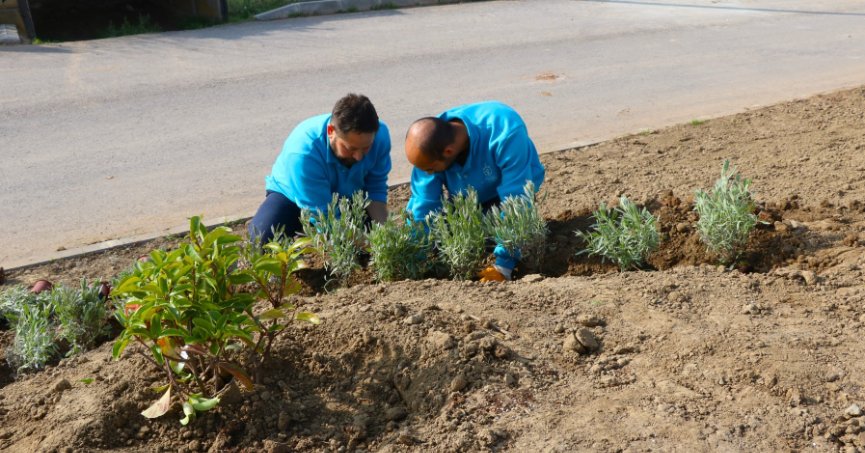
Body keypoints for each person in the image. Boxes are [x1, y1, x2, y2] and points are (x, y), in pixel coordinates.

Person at [404, 101, 545, 281]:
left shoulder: (503, 130)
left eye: (431, 169)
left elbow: (516, 198)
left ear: (448, 151)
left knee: (516, 235)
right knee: (456, 239)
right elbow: (423, 204)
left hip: (508, 190)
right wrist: (414, 258)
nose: (427, 173)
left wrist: (503, 265)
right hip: (467, 197)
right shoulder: (428, 147)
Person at [249, 94, 391, 244]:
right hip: (293, 197)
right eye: (351, 148)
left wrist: (386, 233)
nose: (359, 157)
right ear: (331, 132)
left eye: (366, 148)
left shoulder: (380, 136)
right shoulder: (303, 153)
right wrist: (370, 242)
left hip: (347, 198)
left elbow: (375, 189)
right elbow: (326, 220)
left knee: (374, 239)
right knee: (260, 242)